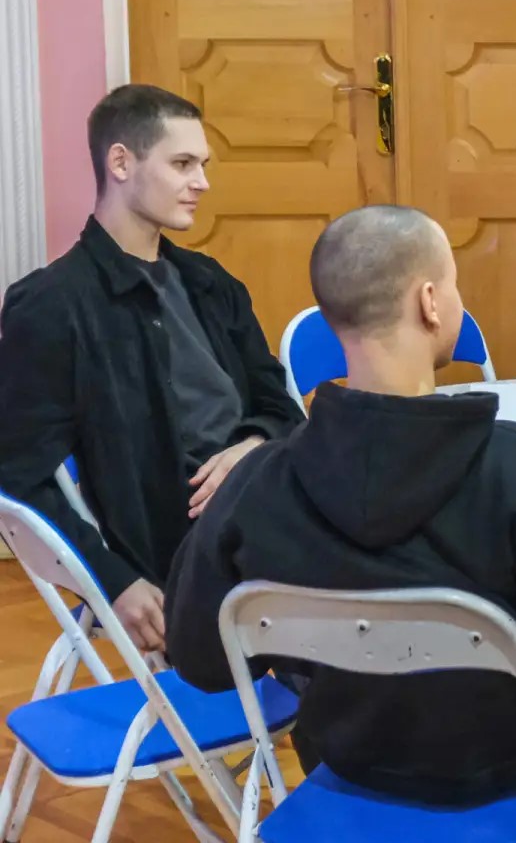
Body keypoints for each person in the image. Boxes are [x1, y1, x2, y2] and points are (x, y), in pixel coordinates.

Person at [164, 206, 516, 842]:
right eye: (453, 282)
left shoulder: (257, 484)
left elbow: (201, 659)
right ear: (429, 302)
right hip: (501, 768)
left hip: (343, 758)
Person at [0, 84, 303, 654]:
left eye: (203, 165)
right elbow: (17, 476)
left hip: (269, 502)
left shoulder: (212, 284)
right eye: (183, 164)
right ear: (121, 163)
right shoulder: (52, 306)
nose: (202, 182)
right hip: (192, 548)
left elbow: (280, 406)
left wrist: (254, 444)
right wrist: (111, 580)